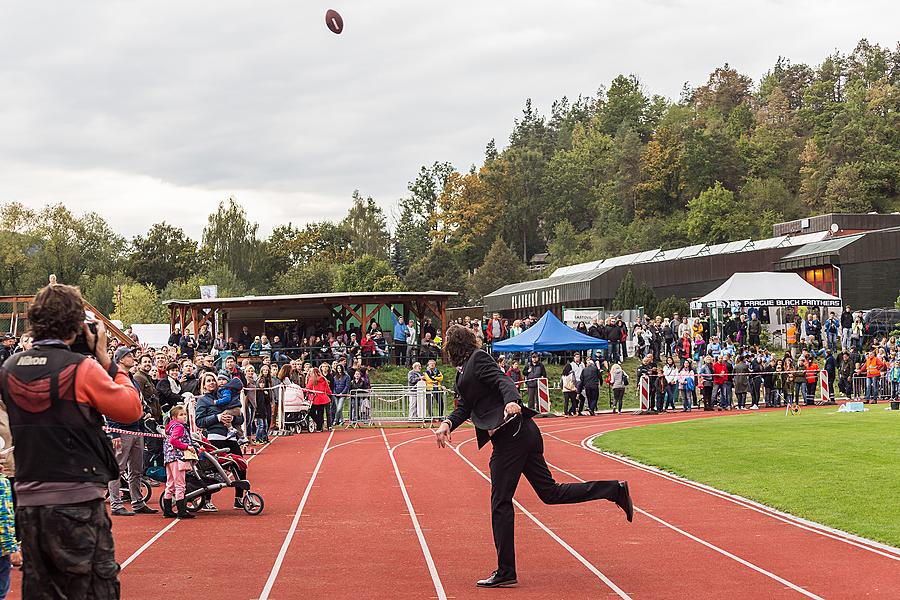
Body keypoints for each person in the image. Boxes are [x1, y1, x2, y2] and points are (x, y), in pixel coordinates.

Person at [432, 324, 632, 588]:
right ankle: (614, 490)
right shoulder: (462, 374)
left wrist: (512, 400)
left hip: (512, 435)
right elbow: (466, 407)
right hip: (521, 434)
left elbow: (502, 381)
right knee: (550, 493)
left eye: (445, 341)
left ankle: (506, 571)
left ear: (454, 344)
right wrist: (447, 423)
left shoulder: (479, 359)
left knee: (500, 502)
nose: (442, 346)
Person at [1, 283, 142, 598]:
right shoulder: (81, 369)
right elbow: (131, 409)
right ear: (77, 325)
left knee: (41, 591)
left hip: (29, 502)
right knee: (94, 589)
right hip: (75, 499)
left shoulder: (9, 369)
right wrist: (107, 360)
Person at [107, 346, 158, 516]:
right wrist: (114, 432)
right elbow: (110, 405)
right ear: (120, 359)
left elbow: (136, 402)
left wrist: (145, 413)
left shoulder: (132, 379)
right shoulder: (115, 378)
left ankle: (137, 502)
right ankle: (115, 504)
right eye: (129, 355)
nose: (133, 358)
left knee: (137, 469)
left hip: (137, 429)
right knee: (118, 468)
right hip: (121, 430)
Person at [162, 405, 195, 519]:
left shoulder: (170, 427)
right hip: (178, 458)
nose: (184, 417)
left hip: (169, 458)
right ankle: (182, 510)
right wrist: (187, 447)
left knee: (170, 484)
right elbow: (173, 440)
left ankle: (167, 510)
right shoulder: (179, 427)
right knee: (180, 484)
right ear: (174, 417)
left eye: (185, 414)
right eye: (181, 415)